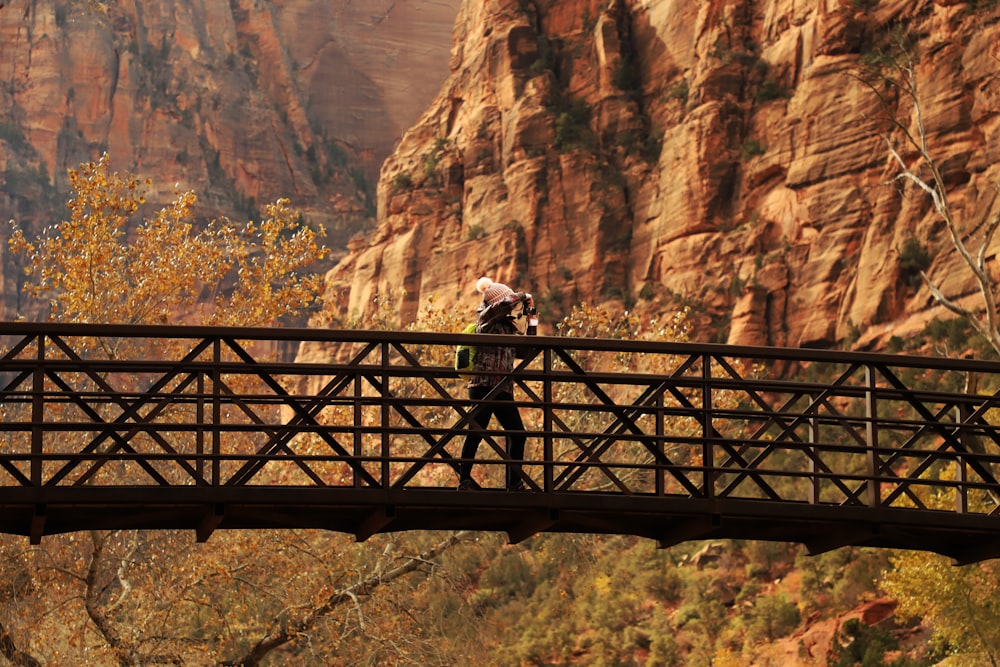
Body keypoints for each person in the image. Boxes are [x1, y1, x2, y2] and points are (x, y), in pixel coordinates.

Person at [457, 276, 538, 491]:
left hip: (502, 389)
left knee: (518, 434)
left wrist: (532, 321)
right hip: (482, 386)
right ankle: (464, 482)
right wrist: (524, 296)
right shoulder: (485, 319)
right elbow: (503, 304)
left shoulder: (509, 328)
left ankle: (514, 483)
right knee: (476, 433)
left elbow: (524, 351)